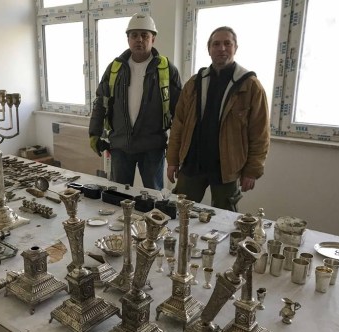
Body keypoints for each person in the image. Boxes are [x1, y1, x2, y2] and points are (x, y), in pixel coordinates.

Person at [166, 26, 270, 211]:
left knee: (226, 219)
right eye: (216, 44)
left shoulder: (251, 86)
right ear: (209, 49)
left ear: (235, 48)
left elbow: (260, 133)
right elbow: (179, 124)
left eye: (227, 43)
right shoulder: (194, 83)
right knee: (178, 211)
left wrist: (252, 172)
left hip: (226, 167)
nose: (222, 48)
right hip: (193, 162)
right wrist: (172, 160)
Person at [89, 13, 182, 190]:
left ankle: (152, 219)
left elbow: (180, 112)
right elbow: (101, 102)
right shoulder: (115, 68)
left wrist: (176, 148)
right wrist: (94, 133)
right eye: (134, 35)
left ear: (153, 39)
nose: (139, 39)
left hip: (152, 147)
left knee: (154, 196)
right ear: (128, 39)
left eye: (144, 35)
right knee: (118, 196)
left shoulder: (166, 69)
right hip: (120, 146)